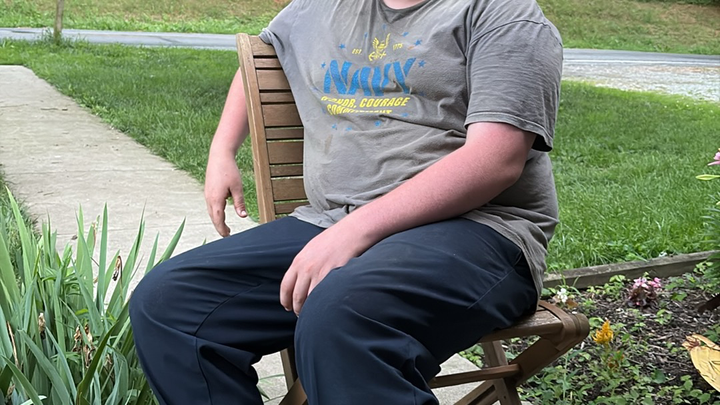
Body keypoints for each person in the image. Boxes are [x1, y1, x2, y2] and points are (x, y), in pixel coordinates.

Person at [129, 0, 563, 403]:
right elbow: (263, 56)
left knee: (343, 315)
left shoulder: (502, 14)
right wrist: (222, 149)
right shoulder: (319, 7)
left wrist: (354, 232)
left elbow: (495, 160)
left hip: (478, 229)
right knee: (170, 304)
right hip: (331, 221)